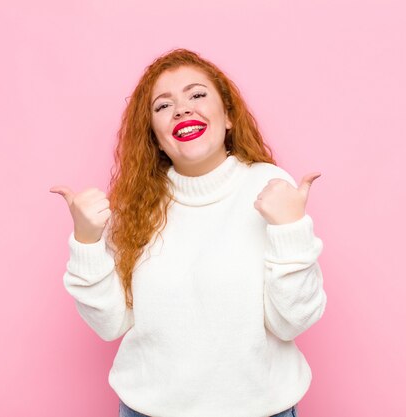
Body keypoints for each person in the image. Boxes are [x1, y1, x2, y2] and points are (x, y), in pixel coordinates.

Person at [50, 48, 326, 417]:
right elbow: (111, 323)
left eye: (197, 95)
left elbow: (292, 321)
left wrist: (291, 228)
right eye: (163, 106)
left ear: (228, 116)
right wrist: (86, 240)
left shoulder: (270, 188)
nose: (181, 109)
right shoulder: (136, 204)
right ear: (155, 136)